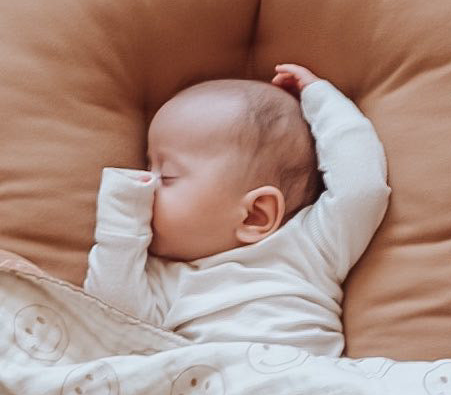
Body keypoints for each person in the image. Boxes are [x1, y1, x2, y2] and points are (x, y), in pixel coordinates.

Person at [83, 64, 390, 349]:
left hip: (299, 388)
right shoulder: (162, 278)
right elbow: (113, 320)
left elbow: (362, 188)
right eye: (148, 167)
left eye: (166, 175)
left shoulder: (312, 246)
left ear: (255, 215)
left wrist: (322, 101)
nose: (146, 186)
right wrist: (122, 218)